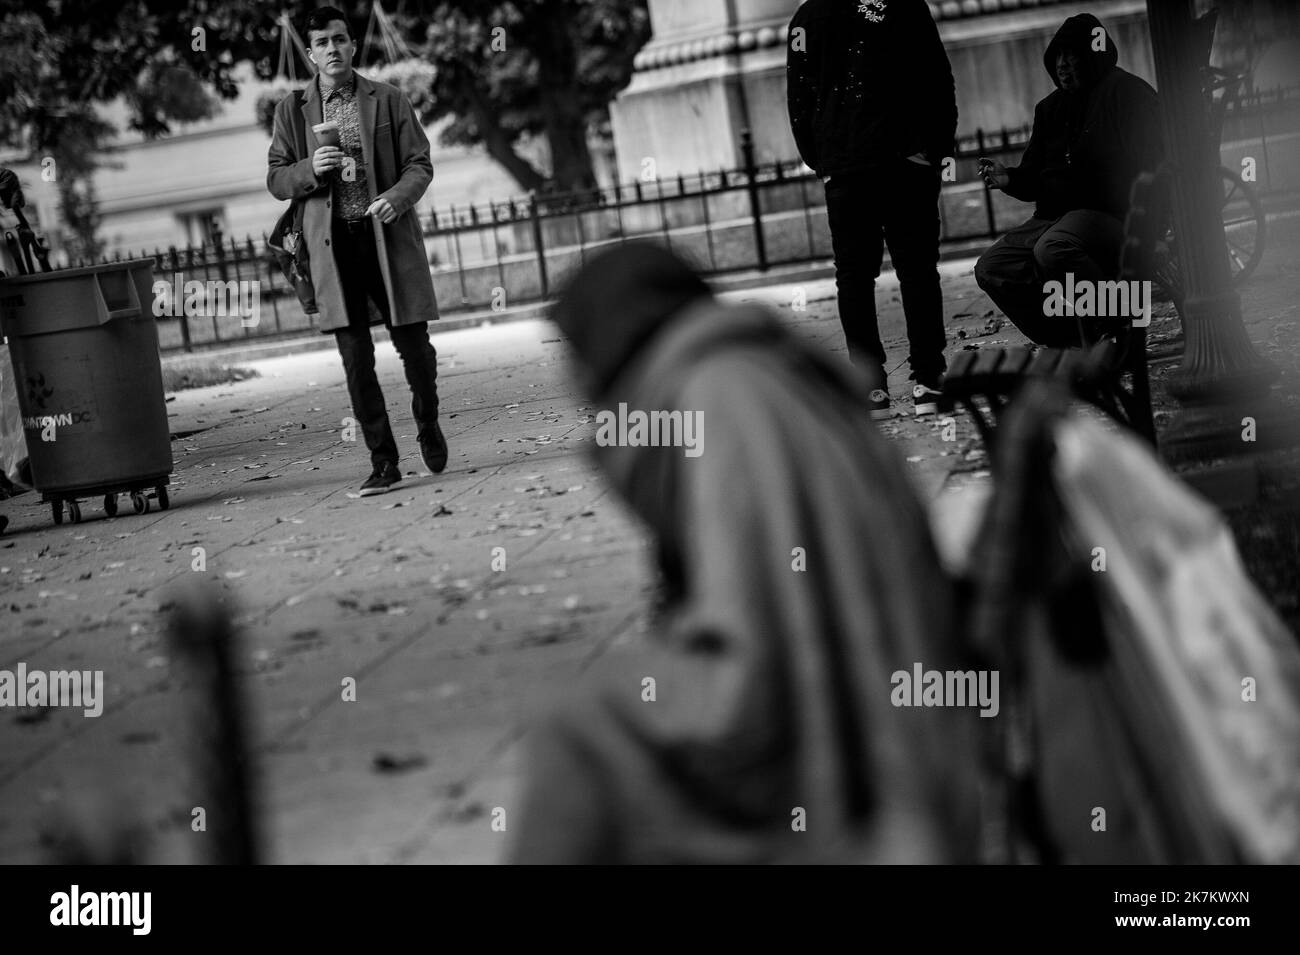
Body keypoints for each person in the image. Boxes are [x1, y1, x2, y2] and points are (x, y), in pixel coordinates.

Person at [508, 243, 980, 864]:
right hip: (890, 689)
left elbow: (753, 675)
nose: (575, 385)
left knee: (576, 730)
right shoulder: (739, 374)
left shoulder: (719, 398)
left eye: (573, 355)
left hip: (846, 741)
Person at [267, 6, 447, 497]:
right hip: (332, 245)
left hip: (385, 237)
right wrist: (308, 168)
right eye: (323, 42)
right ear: (310, 53)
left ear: (352, 45)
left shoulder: (387, 99)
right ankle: (383, 460)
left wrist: (396, 196)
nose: (333, 49)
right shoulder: (292, 111)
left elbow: (419, 163)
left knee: (416, 349)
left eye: (340, 39)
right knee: (355, 359)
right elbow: (277, 178)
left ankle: (427, 421)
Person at [786, 0, 957, 418]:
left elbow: (800, 102)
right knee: (916, 270)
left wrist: (824, 161)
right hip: (904, 161)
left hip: (847, 168)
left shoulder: (808, 18)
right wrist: (932, 151)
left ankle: (871, 388)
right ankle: (928, 381)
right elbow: (938, 80)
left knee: (855, 279)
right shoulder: (904, 6)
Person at [974, 14, 1162, 347]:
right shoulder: (1050, 109)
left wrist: (1153, 223)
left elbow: (1153, 164)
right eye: (1057, 57)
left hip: (1112, 214)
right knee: (992, 267)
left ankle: (1118, 322)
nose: (1062, 65)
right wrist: (1009, 178)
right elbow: (1033, 177)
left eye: (1071, 55)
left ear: (1093, 54)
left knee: (1053, 248)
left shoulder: (1127, 93)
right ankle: (1073, 337)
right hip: (1054, 218)